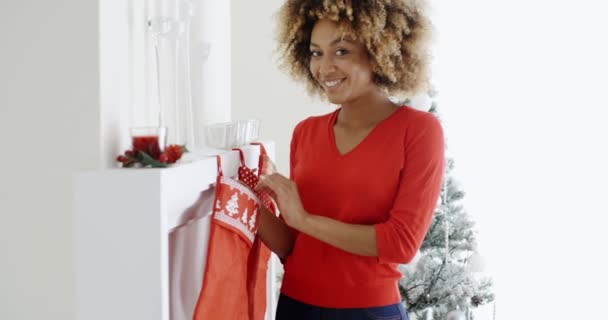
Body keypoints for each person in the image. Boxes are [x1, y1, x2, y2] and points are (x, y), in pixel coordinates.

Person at [254, 1, 445, 319]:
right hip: (294, 307)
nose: (324, 67)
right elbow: (294, 246)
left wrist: (303, 219)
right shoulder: (306, 132)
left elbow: (401, 243)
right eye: (316, 52)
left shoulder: (418, 130)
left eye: (341, 51)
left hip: (368, 311)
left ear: (378, 50)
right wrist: (244, 201)